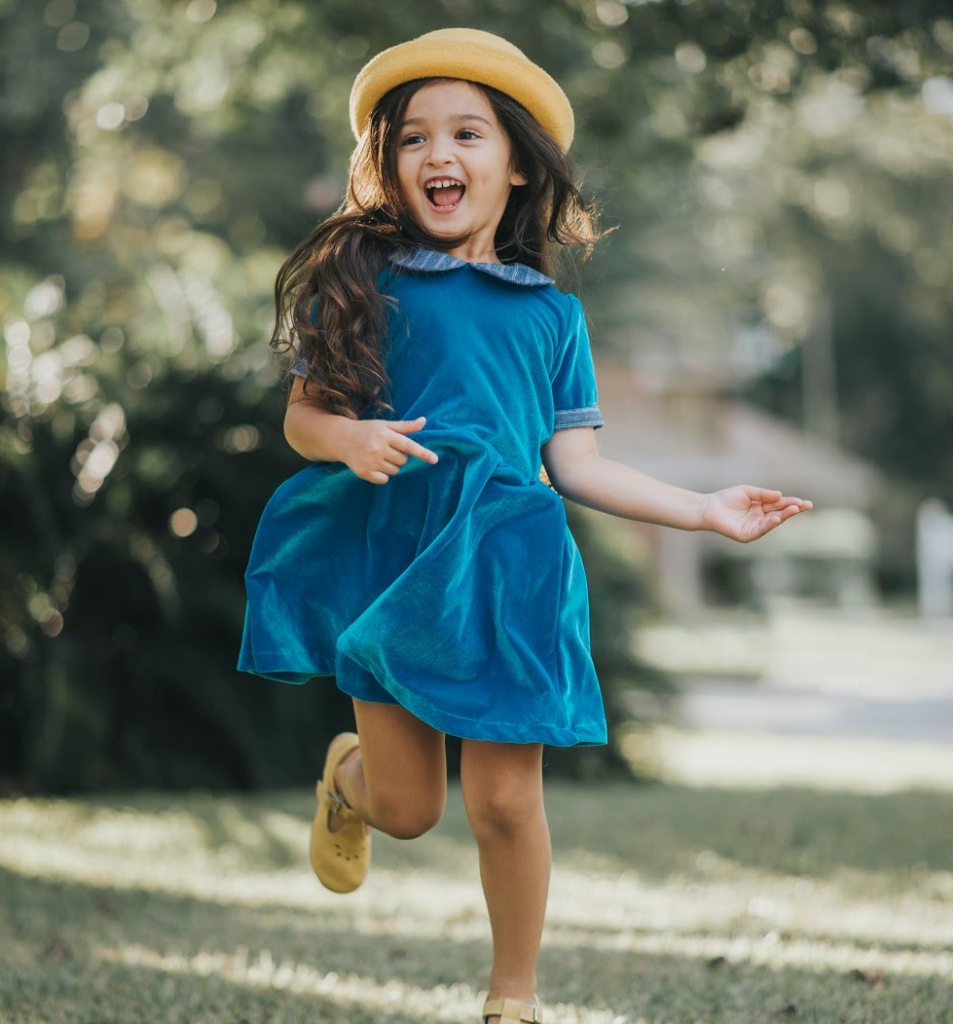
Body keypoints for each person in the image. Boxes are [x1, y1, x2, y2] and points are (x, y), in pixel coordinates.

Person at [238, 27, 812, 1024]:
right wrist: (348, 442)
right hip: (399, 557)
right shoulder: (361, 283)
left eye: (467, 134)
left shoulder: (551, 317)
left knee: (504, 800)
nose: (438, 156)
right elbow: (303, 417)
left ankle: (513, 997)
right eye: (414, 138)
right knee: (412, 811)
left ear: (514, 164)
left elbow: (577, 462)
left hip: (509, 563)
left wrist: (702, 510)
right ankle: (352, 775)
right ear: (388, 162)